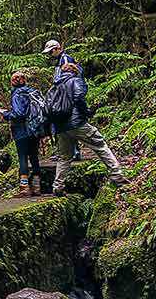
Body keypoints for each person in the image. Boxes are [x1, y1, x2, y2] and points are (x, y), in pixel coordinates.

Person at [41, 41, 123, 194]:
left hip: (61, 127)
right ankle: (118, 176)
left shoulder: (55, 84)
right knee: (100, 145)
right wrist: (86, 113)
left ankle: (57, 187)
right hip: (77, 123)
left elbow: (47, 106)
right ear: (75, 71)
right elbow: (78, 97)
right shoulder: (75, 80)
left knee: (64, 158)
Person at [0, 71, 45, 196]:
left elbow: (18, 114)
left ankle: (24, 187)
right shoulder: (32, 92)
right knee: (34, 156)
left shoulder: (17, 94)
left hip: (22, 130)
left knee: (23, 157)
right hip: (35, 129)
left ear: (13, 82)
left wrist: (5, 114)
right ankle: (37, 186)